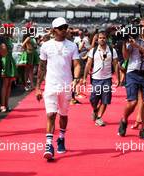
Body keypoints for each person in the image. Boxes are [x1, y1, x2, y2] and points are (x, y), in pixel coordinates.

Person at [35, 17, 80, 161]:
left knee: (63, 114)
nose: (64, 30)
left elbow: (77, 64)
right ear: (54, 30)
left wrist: (76, 79)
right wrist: (37, 87)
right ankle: (49, 145)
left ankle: (61, 137)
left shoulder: (72, 46)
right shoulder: (46, 46)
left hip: (66, 85)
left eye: (65, 27)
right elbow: (41, 67)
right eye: (61, 28)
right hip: (51, 85)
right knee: (51, 115)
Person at [118, 18, 144, 140]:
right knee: (133, 102)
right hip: (132, 72)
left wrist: (136, 45)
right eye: (141, 26)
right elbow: (126, 57)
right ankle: (124, 119)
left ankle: (143, 129)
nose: (143, 28)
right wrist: (124, 43)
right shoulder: (133, 38)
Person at [83, 31, 119, 126]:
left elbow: (115, 64)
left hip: (107, 79)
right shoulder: (93, 50)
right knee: (93, 99)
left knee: (105, 100)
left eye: (103, 38)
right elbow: (88, 64)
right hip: (96, 79)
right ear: (97, 39)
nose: (102, 39)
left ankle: (99, 117)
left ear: (106, 39)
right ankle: (95, 110)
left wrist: (118, 78)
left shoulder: (112, 50)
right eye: (100, 38)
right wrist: (84, 78)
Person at [0, 23, 17, 112]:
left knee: (9, 84)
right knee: (5, 84)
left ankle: (6, 104)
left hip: (10, 61)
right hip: (4, 61)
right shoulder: (2, 39)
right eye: (11, 29)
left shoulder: (9, 39)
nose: (13, 31)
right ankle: (2, 105)